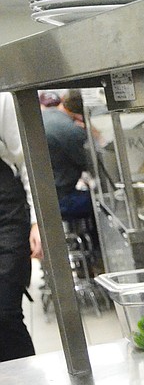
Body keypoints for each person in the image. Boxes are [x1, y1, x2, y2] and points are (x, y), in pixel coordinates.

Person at [0, 92, 38, 362]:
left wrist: (38, 221)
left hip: (6, 216)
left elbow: (28, 161)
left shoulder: (2, 98)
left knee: (4, 312)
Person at [41, 90, 94, 221]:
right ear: (81, 115)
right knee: (97, 203)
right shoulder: (73, 131)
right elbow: (91, 164)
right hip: (61, 199)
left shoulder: (43, 116)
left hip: (42, 197)